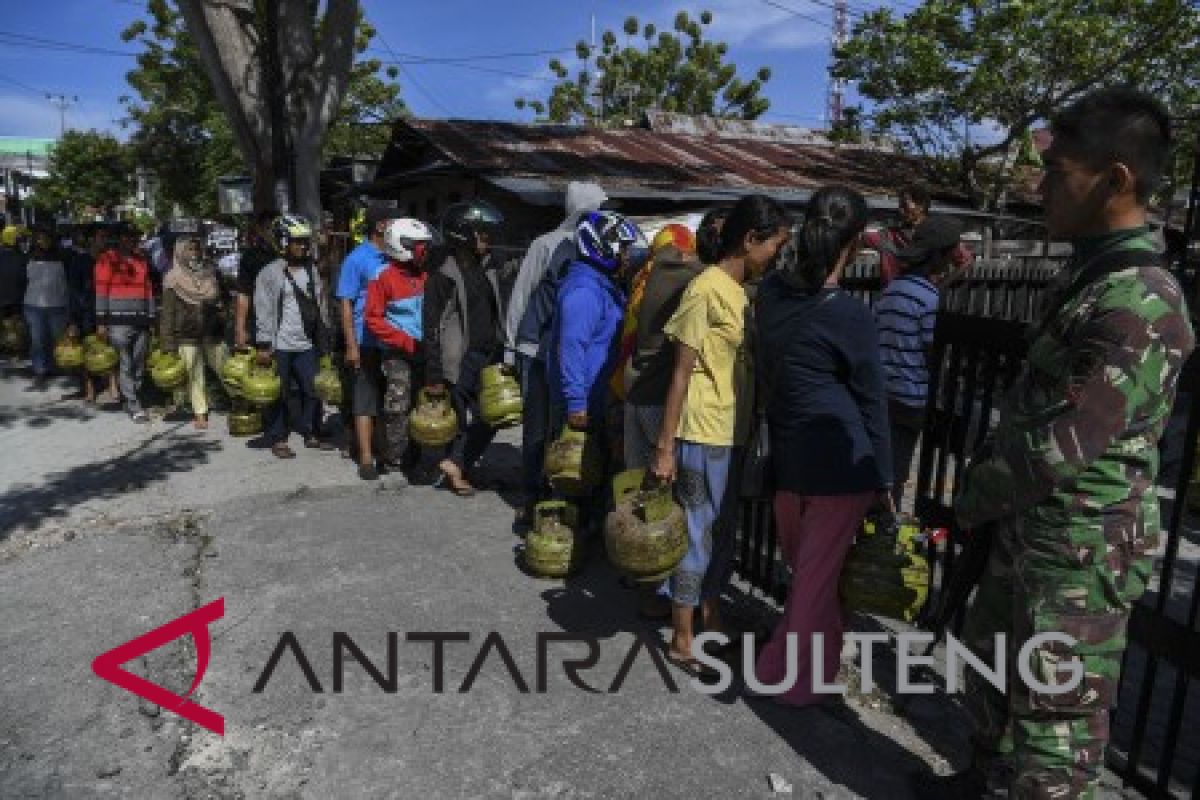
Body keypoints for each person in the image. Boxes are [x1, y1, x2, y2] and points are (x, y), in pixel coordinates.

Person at [919, 88, 1196, 800]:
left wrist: (971, 497)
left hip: (1079, 547)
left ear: (1116, 179)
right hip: (1028, 531)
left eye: (1058, 171)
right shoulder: (1089, 275)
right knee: (990, 676)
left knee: (1056, 728)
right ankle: (982, 780)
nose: (1041, 186)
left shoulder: (1141, 299)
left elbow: (1062, 443)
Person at [749, 186, 893, 705]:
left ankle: (817, 671)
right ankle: (782, 678)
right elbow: (873, 401)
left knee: (812, 575)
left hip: (787, 456)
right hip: (837, 464)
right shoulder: (849, 314)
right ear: (854, 244)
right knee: (815, 581)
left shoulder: (770, 294)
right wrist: (886, 478)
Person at [649, 194, 790, 675]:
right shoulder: (705, 289)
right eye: (775, 244)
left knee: (721, 534)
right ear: (750, 240)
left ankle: (712, 619)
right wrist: (665, 448)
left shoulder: (742, 291)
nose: (777, 255)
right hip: (700, 435)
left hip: (732, 434)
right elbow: (680, 375)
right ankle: (682, 638)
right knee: (695, 535)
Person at [505, 181, 608, 525]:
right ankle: (532, 495)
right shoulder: (546, 245)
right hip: (536, 350)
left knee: (566, 432)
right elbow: (521, 295)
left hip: (571, 358)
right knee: (536, 430)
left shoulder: (597, 248)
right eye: (597, 209)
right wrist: (511, 347)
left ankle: (567, 498)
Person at [547, 210, 647, 531]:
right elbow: (571, 347)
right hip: (585, 399)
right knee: (578, 473)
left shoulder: (602, 285)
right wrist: (576, 402)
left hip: (598, 394)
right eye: (620, 248)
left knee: (596, 470)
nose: (625, 255)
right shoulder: (584, 292)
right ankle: (570, 536)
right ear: (599, 247)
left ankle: (587, 530)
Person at [873, 215, 964, 509]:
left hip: (883, 391)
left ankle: (875, 519)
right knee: (899, 469)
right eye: (951, 252)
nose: (953, 259)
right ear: (937, 255)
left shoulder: (892, 290)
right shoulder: (929, 299)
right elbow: (932, 353)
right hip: (911, 397)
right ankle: (884, 527)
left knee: (883, 464)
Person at [422, 199, 506, 496]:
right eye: (481, 234)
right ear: (463, 235)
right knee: (457, 421)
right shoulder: (441, 276)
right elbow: (431, 328)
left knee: (493, 415)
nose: (488, 240)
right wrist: (434, 375)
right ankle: (454, 468)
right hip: (458, 360)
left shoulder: (487, 269)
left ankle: (457, 465)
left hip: (486, 355)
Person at [622, 220, 711, 471]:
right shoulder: (680, 275)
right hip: (657, 394)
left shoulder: (645, 275)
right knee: (658, 486)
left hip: (632, 386)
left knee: (633, 478)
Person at [252, 214, 334, 459]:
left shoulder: (312, 270)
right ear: (283, 242)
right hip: (280, 345)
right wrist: (264, 344)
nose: (303, 246)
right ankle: (278, 437)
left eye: (305, 242)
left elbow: (321, 305)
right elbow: (264, 309)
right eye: (297, 241)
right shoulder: (269, 273)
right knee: (279, 392)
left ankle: (312, 431)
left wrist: (325, 335)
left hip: (306, 343)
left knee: (314, 389)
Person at [362, 217, 435, 481]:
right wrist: (404, 340)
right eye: (419, 246)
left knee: (422, 403)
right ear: (402, 246)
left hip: (424, 351)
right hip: (397, 353)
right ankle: (395, 457)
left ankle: (417, 455)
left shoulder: (427, 275)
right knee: (397, 405)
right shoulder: (382, 278)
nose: (424, 252)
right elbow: (373, 319)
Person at [335, 203, 398, 473]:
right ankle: (365, 457)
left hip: (392, 340)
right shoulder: (357, 259)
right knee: (365, 400)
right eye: (391, 221)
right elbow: (346, 303)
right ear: (380, 226)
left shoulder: (396, 257)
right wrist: (351, 345)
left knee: (389, 400)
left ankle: (386, 451)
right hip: (365, 340)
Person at [160, 235, 226, 430]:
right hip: (186, 333)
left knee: (225, 367)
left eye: (196, 249)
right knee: (194, 374)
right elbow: (167, 313)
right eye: (189, 249)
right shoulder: (173, 278)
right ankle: (200, 412)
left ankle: (241, 401)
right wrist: (168, 343)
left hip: (211, 330)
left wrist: (221, 315)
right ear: (180, 252)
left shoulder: (210, 273)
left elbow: (222, 301)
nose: (194, 253)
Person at [95, 224, 156, 422]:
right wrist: (101, 321)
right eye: (127, 237)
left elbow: (148, 290)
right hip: (118, 320)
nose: (131, 240)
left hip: (140, 319)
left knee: (139, 363)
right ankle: (133, 404)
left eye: (134, 237)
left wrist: (151, 316)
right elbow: (101, 291)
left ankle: (132, 395)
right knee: (125, 362)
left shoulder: (141, 261)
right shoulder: (107, 260)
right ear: (119, 238)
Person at [863, 183, 973, 286]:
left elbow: (966, 261)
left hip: (922, 299)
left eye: (905, 206)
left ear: (921, 206)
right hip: (892, 297)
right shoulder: (889, 235)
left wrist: (941, 286)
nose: (900, 210)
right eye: (900, 206)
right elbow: (860, 237)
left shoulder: (939, 235)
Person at [23, 226, 70, 390]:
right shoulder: (28, 257)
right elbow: (24, 281)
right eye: (40, 238)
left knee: (56, 339)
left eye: (46, 238)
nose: (43, 241)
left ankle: (55, 366)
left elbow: (67, 283)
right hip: (33, 305)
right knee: (38, 341)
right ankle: (39, 371)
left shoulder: (63, 257)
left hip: (58, 305)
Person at [234, 211, 277, 349]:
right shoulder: (250, 257)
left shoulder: (292, 256)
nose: (271, 233)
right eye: (267, 228)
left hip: (290, 325)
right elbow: (243, 294)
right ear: (259, 230)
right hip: (259, 322)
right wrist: (240, 328)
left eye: (274, 228)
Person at [0, 225, 30, 354]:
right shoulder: (21, 257)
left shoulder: (21, 256)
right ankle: (16, 349)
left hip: (8, 301)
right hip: (17, 300)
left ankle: (10, 348)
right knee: (17, 329)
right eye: (21, 239)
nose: (23, 241)